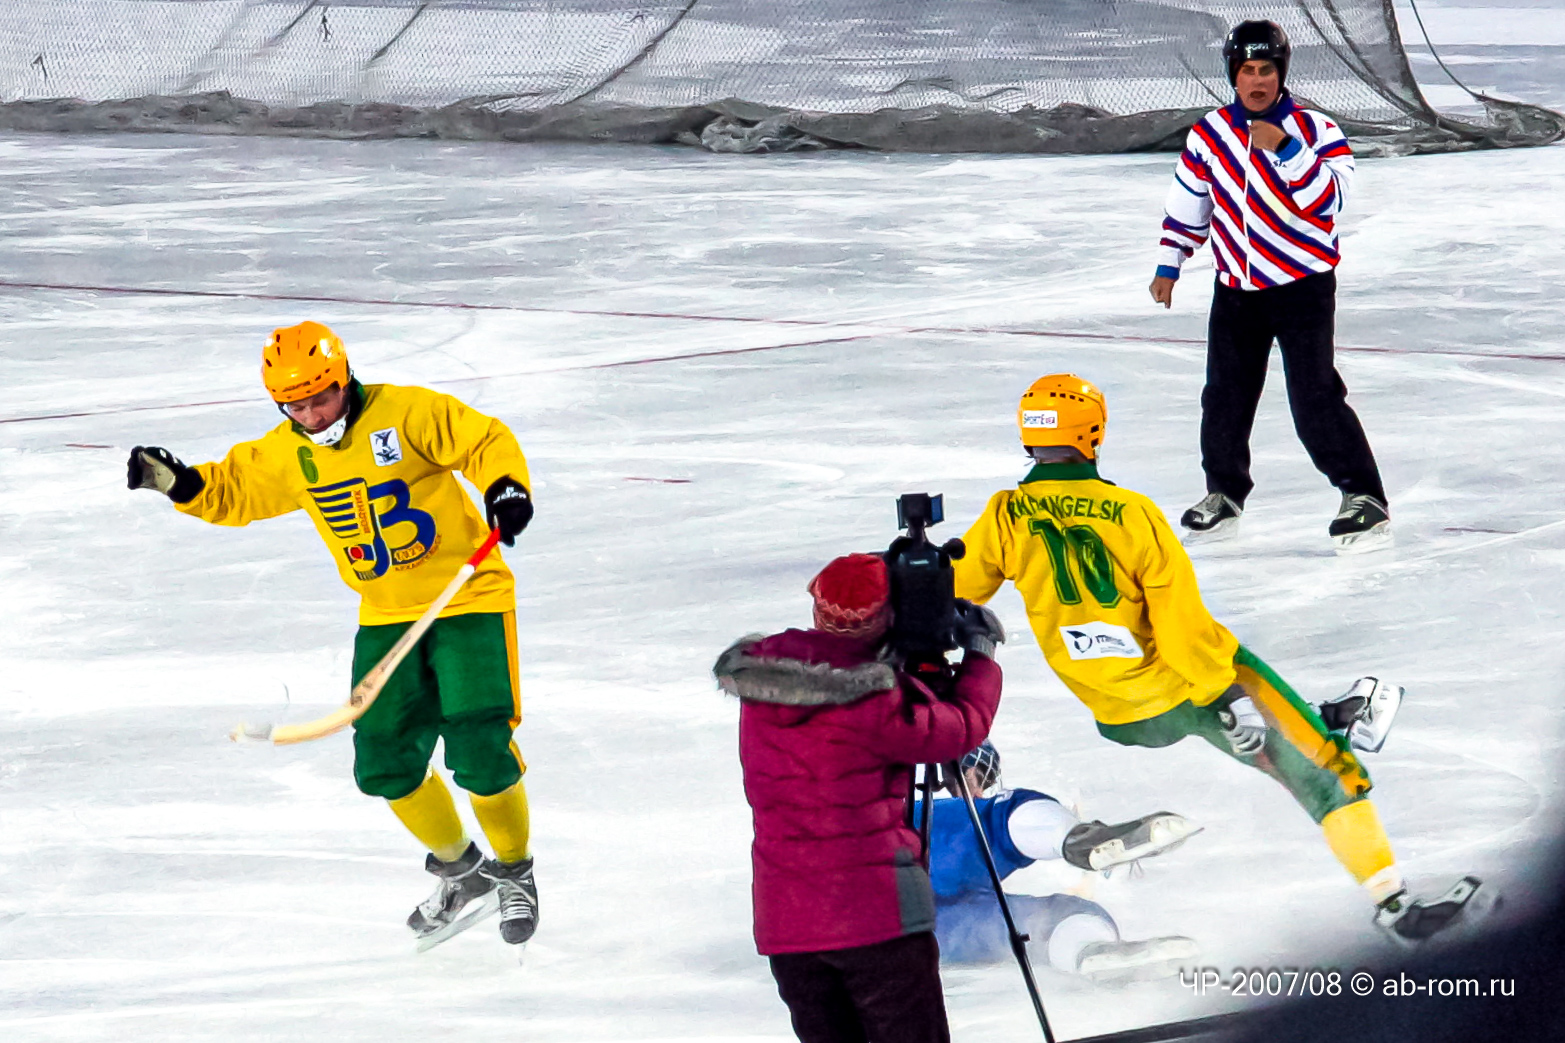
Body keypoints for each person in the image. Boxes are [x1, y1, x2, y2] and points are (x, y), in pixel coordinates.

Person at [951, 373, 1481, 943]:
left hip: (1118, 712)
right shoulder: (1131, 513)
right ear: (1094, 433)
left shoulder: (1005, 515)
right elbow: (1183, 630)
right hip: (1192, 689)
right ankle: (1394, 906)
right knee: (1328, 774)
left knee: (1284, 729)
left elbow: (955, 588)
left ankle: (1317, 716)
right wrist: (1230, 697)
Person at [127, 321, 540, 950]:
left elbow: (483, 440)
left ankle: (515, 871)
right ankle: (464, 872)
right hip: (386, 614)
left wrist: (505, 486)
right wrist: (181, 484)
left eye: (321, 398)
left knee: (479, 746)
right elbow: (236, 489)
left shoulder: (408, 412)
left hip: (469, 601)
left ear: (344, 379)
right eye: (295, 406)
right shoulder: (289, 452)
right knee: (383, 759)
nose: (312, 415)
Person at [714, 552, 1004, 1043]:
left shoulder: (765, 683)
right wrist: (981, 656)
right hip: (876, 921)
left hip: (788, 924)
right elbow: (957, 728)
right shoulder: (875, 702)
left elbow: (834, 674)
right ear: (886, 617)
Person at [1149, 19, 1390, 553]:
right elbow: (1189, 205)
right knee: (1224, 397)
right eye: (1247, 70)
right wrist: (1169, 263)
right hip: (1236, 290)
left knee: (1314, 396)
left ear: (1282, 73)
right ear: (1233, 74)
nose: (1257, 81)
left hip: (1302, 287)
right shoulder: (1209, 134)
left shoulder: (1317, 131)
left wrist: (1285, 148)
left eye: (1266, 70)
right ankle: (1223, 492)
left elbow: (1329, 202)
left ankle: (1363, 495)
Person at [919, 741, 1200, 984]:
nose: (978, 793)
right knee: (995, 820)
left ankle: (1091, 951)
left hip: (918, 929)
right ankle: (1076, 839)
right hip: (901, 856)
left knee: (1031, 921)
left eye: (984, 781)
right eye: (972, 777)